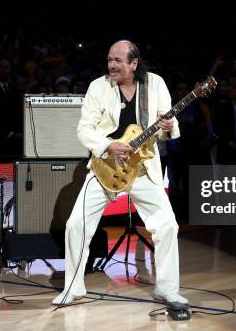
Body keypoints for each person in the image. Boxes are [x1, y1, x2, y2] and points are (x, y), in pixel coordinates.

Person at [52, 40, 186, 306]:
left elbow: (165, 130)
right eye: (109, 60)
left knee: (167, 225)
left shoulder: (155, 84)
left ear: (133, 64)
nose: (111, 65)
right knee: (76, 224)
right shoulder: (97, 87)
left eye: (118, 61)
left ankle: (167, 289)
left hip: (143, 168)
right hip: (105, 167)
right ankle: (73, 288)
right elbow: (84, 130)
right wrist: (108, 145)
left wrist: (169, 125)